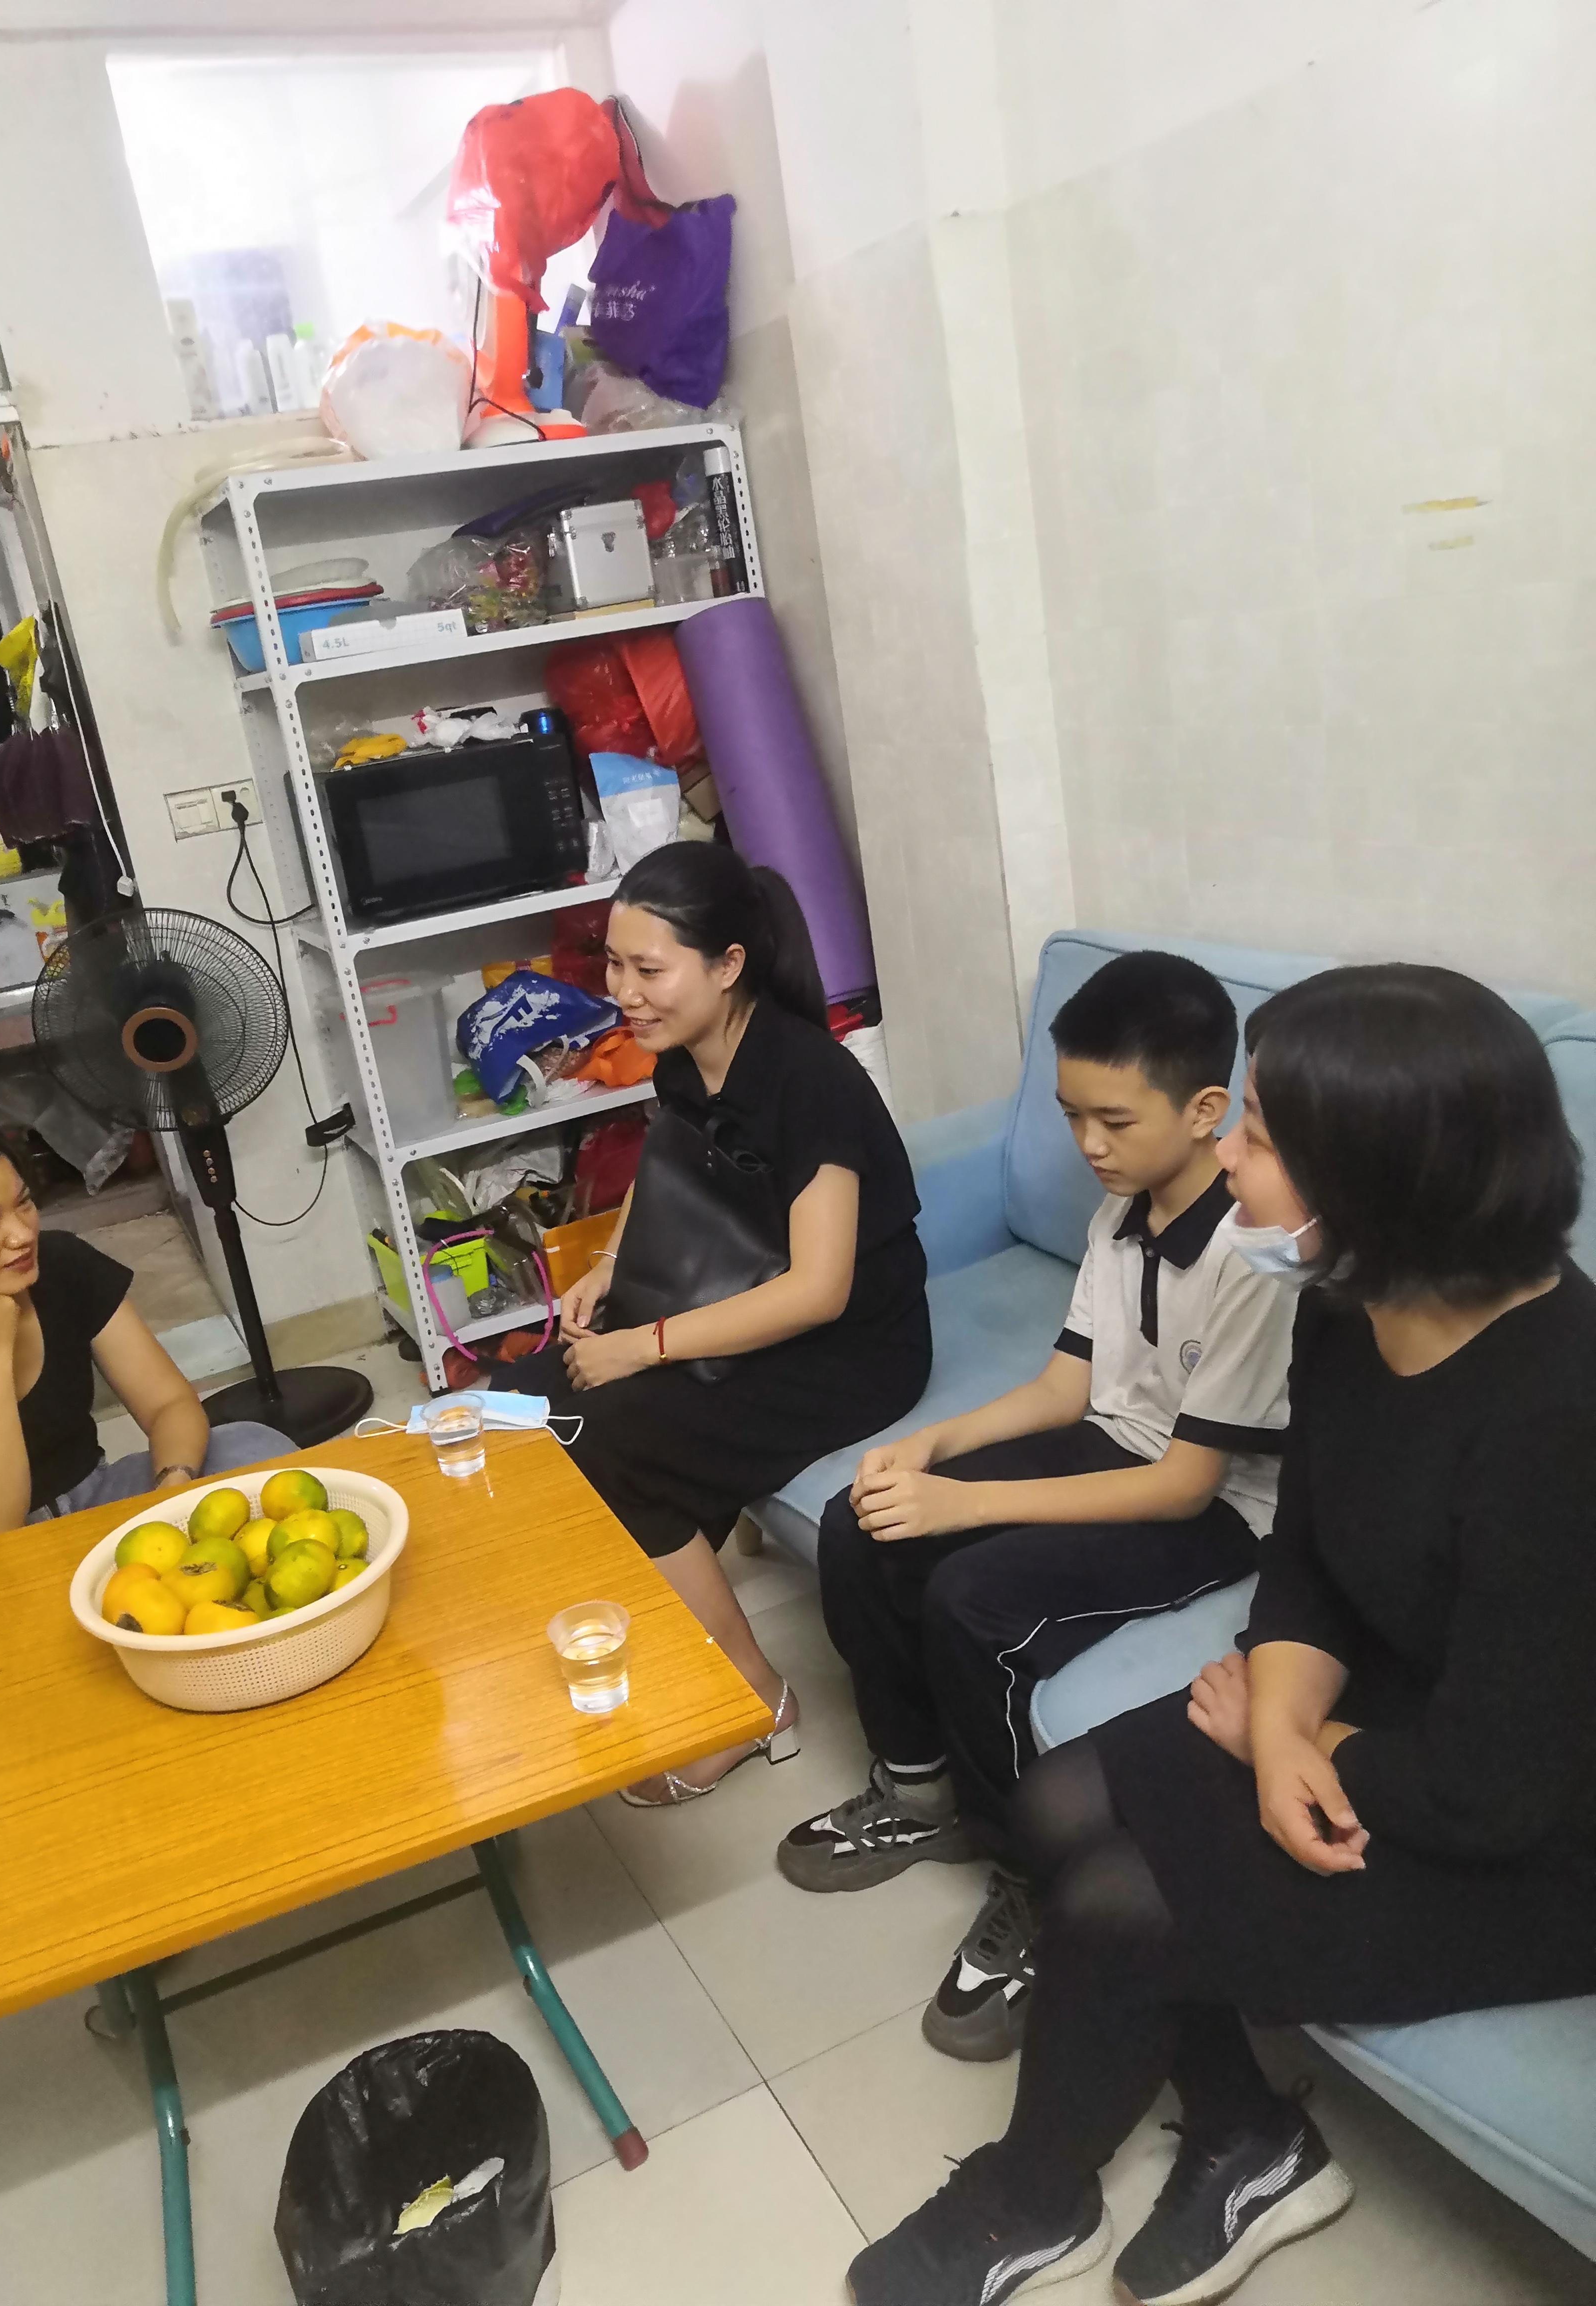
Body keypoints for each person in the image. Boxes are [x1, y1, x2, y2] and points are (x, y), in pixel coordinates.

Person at [848, 963, 1596, 2306]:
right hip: (1391, 1709)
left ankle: (1032, 2196)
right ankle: (1251, 2138)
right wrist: (1285, 1718)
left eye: (1255, 1130)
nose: (1228, 1157)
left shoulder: (1559, 1422)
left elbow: (1499, 1788)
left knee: (1118, 1904)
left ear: (1374, 1177)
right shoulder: (1348, 1307)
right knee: (1062, 1801)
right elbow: (1306, 1551)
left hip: (1541, 1827)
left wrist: (1286, 1738)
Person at [780, 952, 1296, 2065]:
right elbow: (1068, 1388)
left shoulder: (1249, 1257)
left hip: (1213, 1506)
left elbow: (1184, 1483)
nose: (1089, 1145)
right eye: (1071, 1117)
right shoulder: (1122, 1216)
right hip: (1114, 1444)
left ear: (1206, 1110)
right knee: (860, 1520)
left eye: (1114, 1120)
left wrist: (963, 1504)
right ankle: (918, 1790)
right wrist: (933, 1447)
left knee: (972, 1597)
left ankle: (1031, 1876)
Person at [500, 844, 931, 1805]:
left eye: (649, 970)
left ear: (729, 964)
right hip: (734, 1297)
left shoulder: (809, 1080)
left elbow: (818, 1290)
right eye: (615, 965)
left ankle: (751, 1699)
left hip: (850, 1347)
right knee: (527, 1398)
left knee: (613, 1436)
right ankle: (672, 1624)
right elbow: (675, 1179)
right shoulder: (688, 1059)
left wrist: (641, 1345)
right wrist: (611, 1269)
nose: (624, 993)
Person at [0, 1112, 290, 1563]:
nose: (23, 1234)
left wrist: (173, 1490)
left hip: (91, 1500)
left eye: (24, 1203)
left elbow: (168, 1404)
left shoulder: (63, 1265)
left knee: (250, 1447)